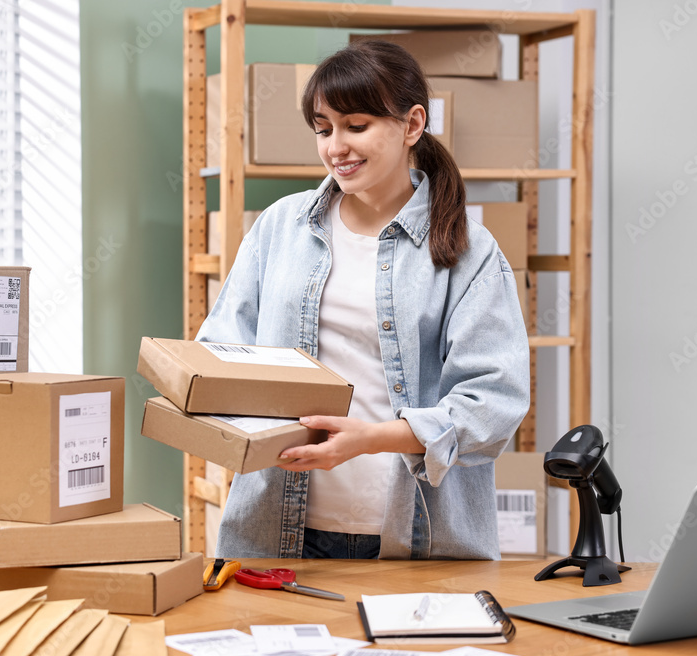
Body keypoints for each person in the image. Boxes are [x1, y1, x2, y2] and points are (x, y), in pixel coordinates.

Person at [195, 40, 530, 560]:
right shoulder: (279, 227)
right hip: (277, 528)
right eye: (324, 130)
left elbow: (494, 400)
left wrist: (371, 437)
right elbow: (222, 349)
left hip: (415, 533)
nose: (336, 148)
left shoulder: (467, 247)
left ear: (412, 125)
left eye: (356, 126)